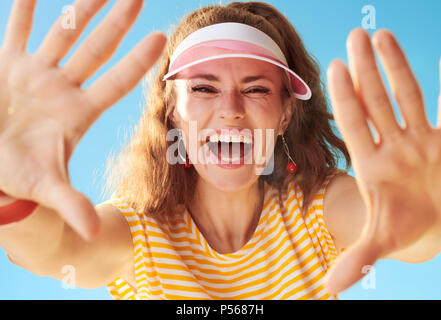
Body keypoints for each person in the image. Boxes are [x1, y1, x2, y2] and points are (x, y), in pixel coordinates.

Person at [0, 0, 440, 300]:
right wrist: (9, 191)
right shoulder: (139, 231)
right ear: (172, 111)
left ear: (284, 114)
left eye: (256, 89)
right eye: (204, 88)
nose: (230, 111)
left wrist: (429, 209)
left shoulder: (317, 208)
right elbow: (55, 249)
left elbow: (406, 228)